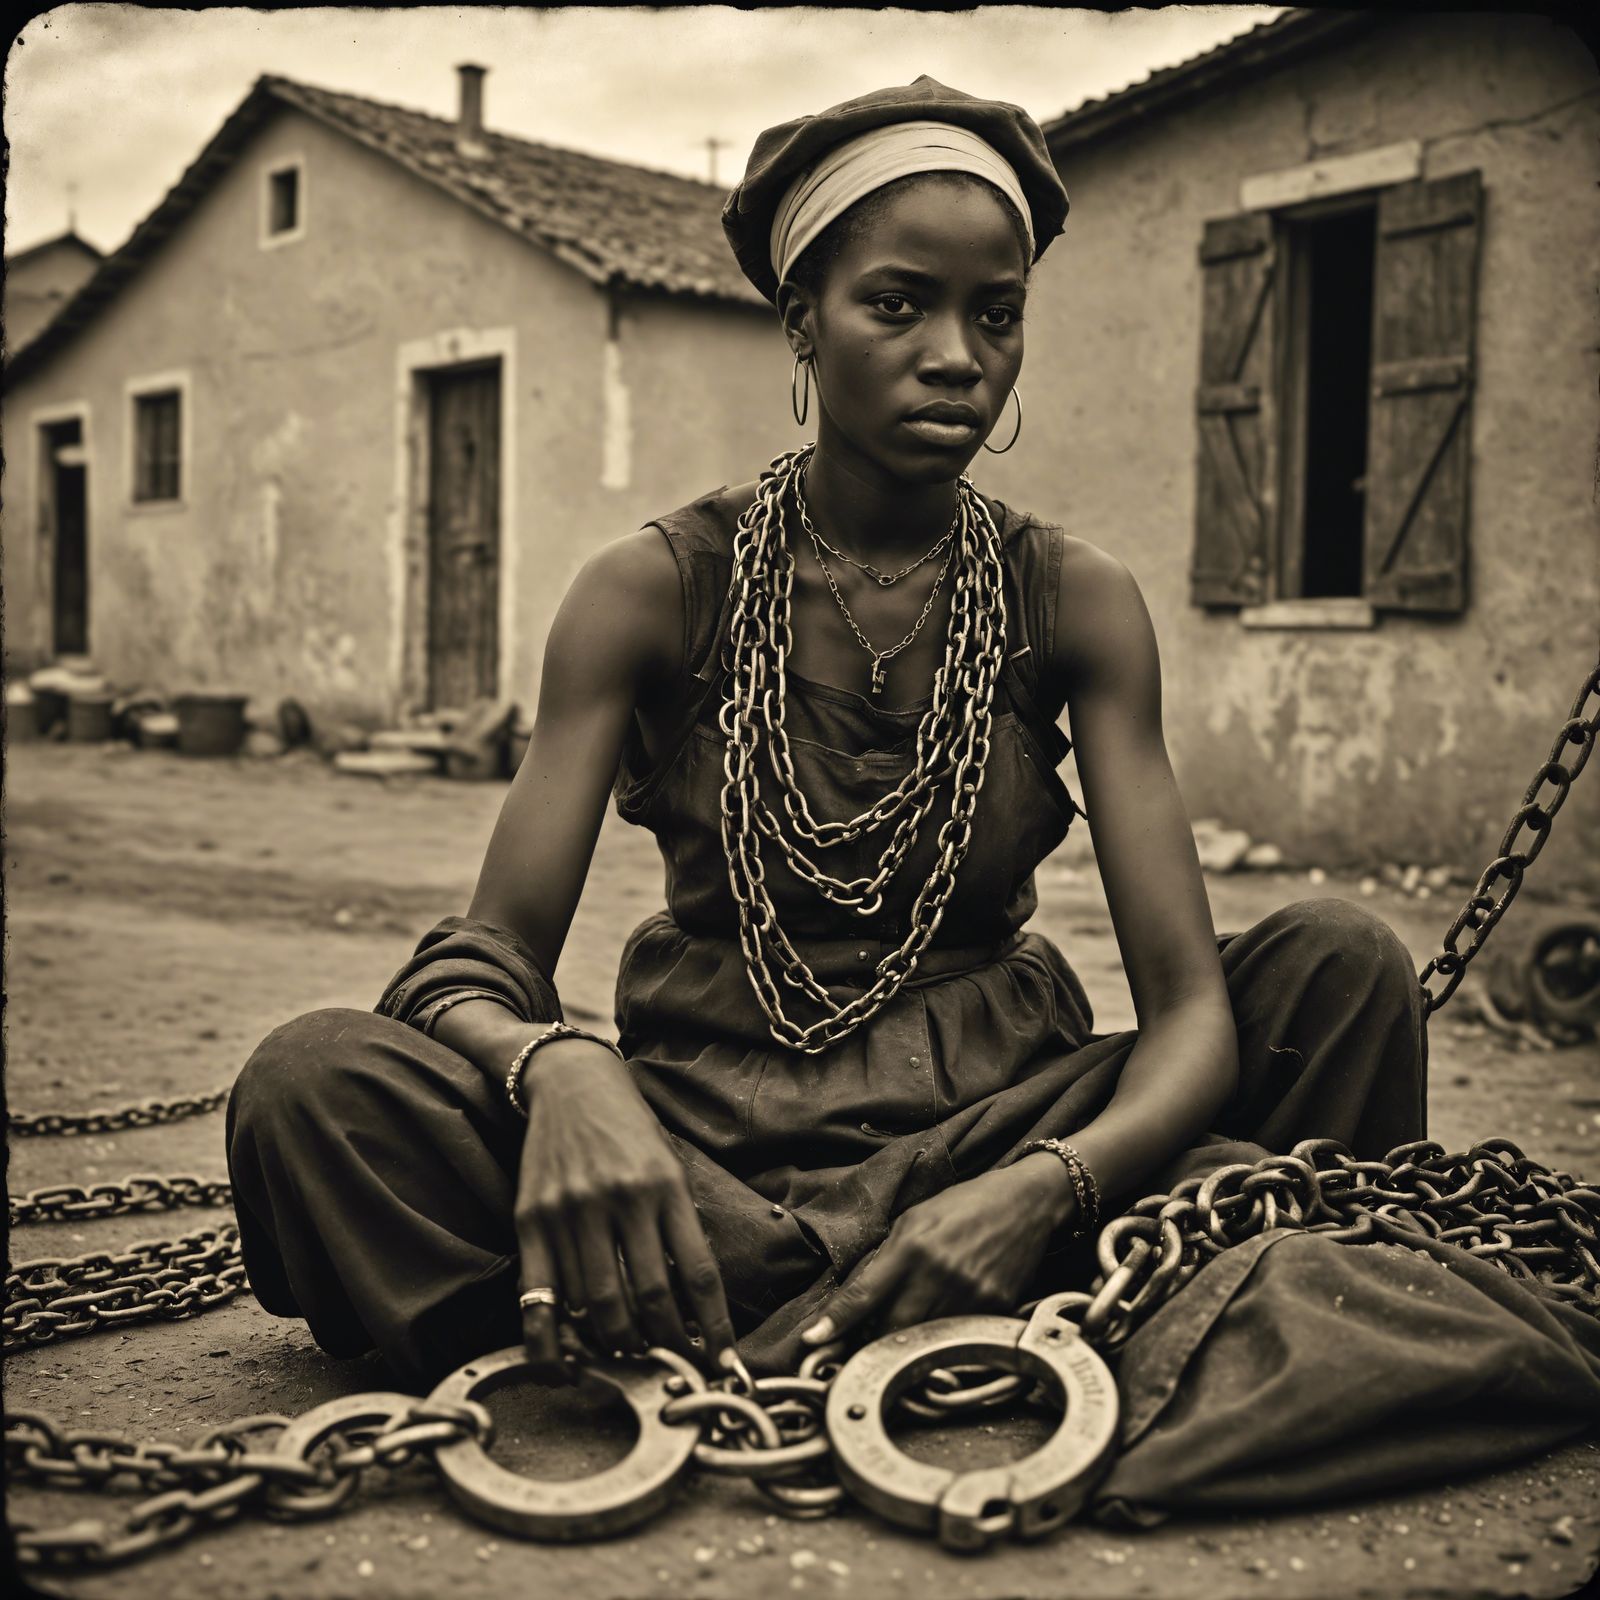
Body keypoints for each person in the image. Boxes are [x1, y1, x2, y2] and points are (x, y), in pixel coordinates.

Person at [227, 77, 1427, 1394]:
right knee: (311, 1085)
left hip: (1003, 1135)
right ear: (801, 317)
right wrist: (560, 1072)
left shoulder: (1076, 599)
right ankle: (1046, 1320)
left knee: (1340, 972)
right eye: (898, 304)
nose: (957, 353)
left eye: (998, 312)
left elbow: (1193, 1014)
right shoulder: (650, 590)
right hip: (696, 1158)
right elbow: (474, 967)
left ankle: (671, 1339)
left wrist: (1039, 1185)